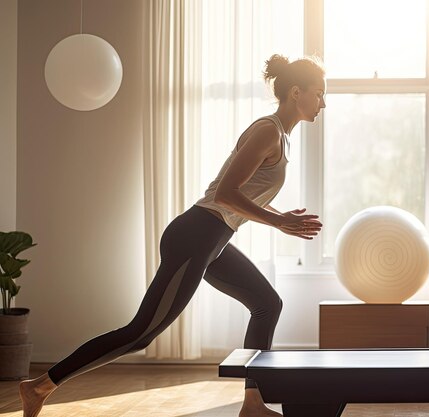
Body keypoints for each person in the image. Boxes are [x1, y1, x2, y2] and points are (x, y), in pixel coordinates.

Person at [19, 53, 326, 417]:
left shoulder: (282, 138)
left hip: (214, 238)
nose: (323, 102)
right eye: (319, 93)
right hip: (196, 234)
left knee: (267, 304)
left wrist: (281, 216)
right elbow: (226, 194)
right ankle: (39, 386)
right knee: (140, 333)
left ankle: (252, 404)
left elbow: (241, 195)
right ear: (295, 92)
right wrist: (277, 223)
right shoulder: (267, 130)